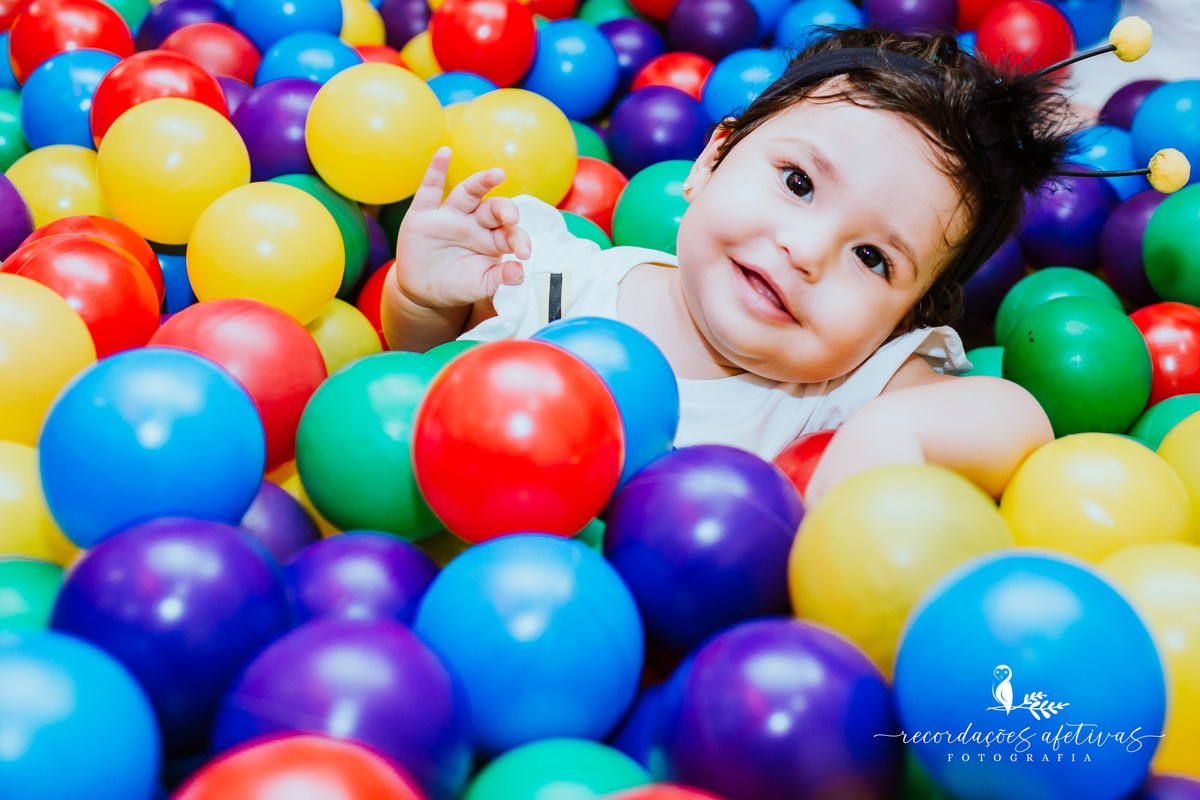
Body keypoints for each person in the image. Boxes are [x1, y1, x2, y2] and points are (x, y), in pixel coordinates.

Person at [381, 27, 1081, 506]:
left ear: (906, 316)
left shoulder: (843, 394)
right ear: (711, 161)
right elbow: (414, 381)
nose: (805, 253)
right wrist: (423, 300)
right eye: (799, 183)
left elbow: (1020, 422)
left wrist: (890, 434)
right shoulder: (545, 272)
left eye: (872, 258)